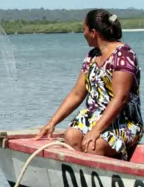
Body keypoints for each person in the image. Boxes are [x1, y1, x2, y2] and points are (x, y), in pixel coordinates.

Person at [36, 9, 143, 160]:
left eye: (84, 30)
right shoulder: (92, 56)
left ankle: (113, 166)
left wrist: (96, 131)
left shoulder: (123, 55)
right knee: (71, 136)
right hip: (93, 117)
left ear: (93, 32)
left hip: (124, 121)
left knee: (94, 146)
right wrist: (52, 123)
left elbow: (120, 98)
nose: (83, 34)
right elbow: (77, 94)